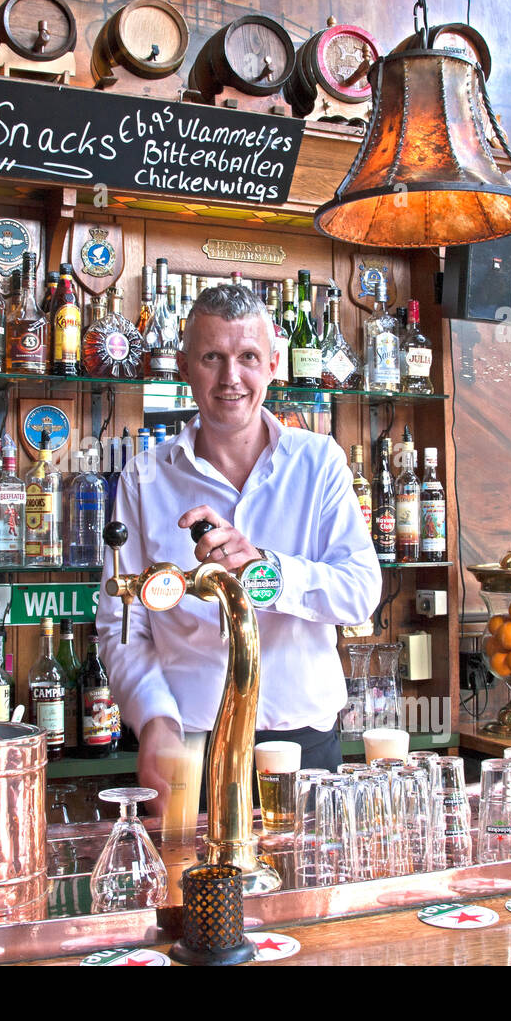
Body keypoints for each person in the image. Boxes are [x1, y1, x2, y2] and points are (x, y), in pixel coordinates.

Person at [97, 284, 381, 814]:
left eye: (248, 357)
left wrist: (263, 570)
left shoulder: (319, 462)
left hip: (300, 744)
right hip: (188, 745)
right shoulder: (145, 478)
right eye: (212, 357)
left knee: (307, 895)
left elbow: (360, 593)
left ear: (274, 364)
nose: (231, 378)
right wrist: (154, 718)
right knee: (194, 896)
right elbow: (123, 624)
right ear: (184, 366)